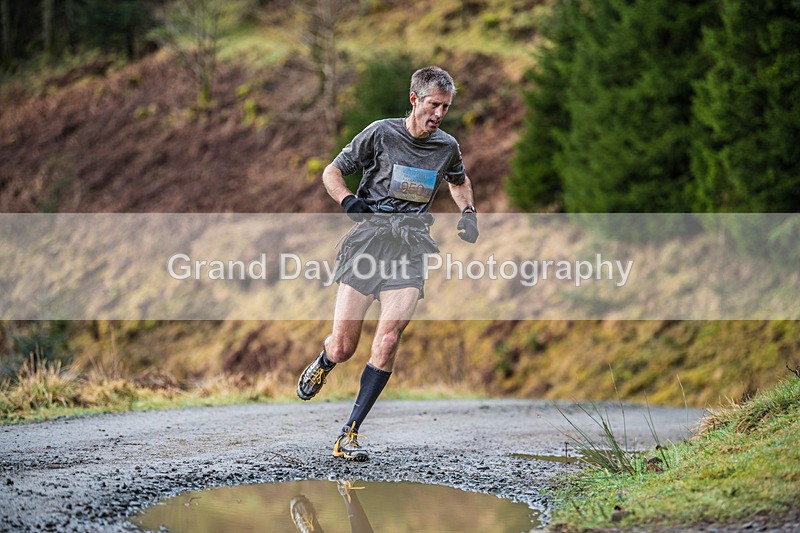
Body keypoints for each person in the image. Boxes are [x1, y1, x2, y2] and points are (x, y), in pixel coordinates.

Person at [296, 66, 479, 461]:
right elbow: (332, 171)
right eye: (433, 105)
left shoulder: (446, 146)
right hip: (368, 244)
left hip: (411, 248)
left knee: (389, 339)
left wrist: (468, 212)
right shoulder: (380, 132)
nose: (439, 114)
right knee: (345, 346)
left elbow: (458, 179)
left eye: (445, 107)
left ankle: (350, 433)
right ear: (414, 99)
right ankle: (325, 361)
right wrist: (348, 201)